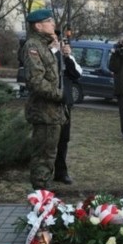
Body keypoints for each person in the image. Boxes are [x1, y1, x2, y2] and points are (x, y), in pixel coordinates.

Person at [20, 9, 66, 189]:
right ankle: (40, 202)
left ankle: (44, 199)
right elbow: (36, 81)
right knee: (43, 159)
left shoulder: (45, 47)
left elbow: (54, 76)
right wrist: (61, 94)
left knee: (49, 157)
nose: (53, 24)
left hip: (53, 113)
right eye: (49, 21)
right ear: (38, 26)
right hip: (44, 112)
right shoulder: (33, 46)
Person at [54, 40, 82, 184]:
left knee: (63, 139)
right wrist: (55, 52)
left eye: (62, 42)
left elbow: (77, 74)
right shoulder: (48, 56)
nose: (59, 44)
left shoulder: (67, 59)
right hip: (50, 104)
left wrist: (68, 56)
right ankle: (46, 173)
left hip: (65, 105)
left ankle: (61, 172)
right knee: (50, 140)